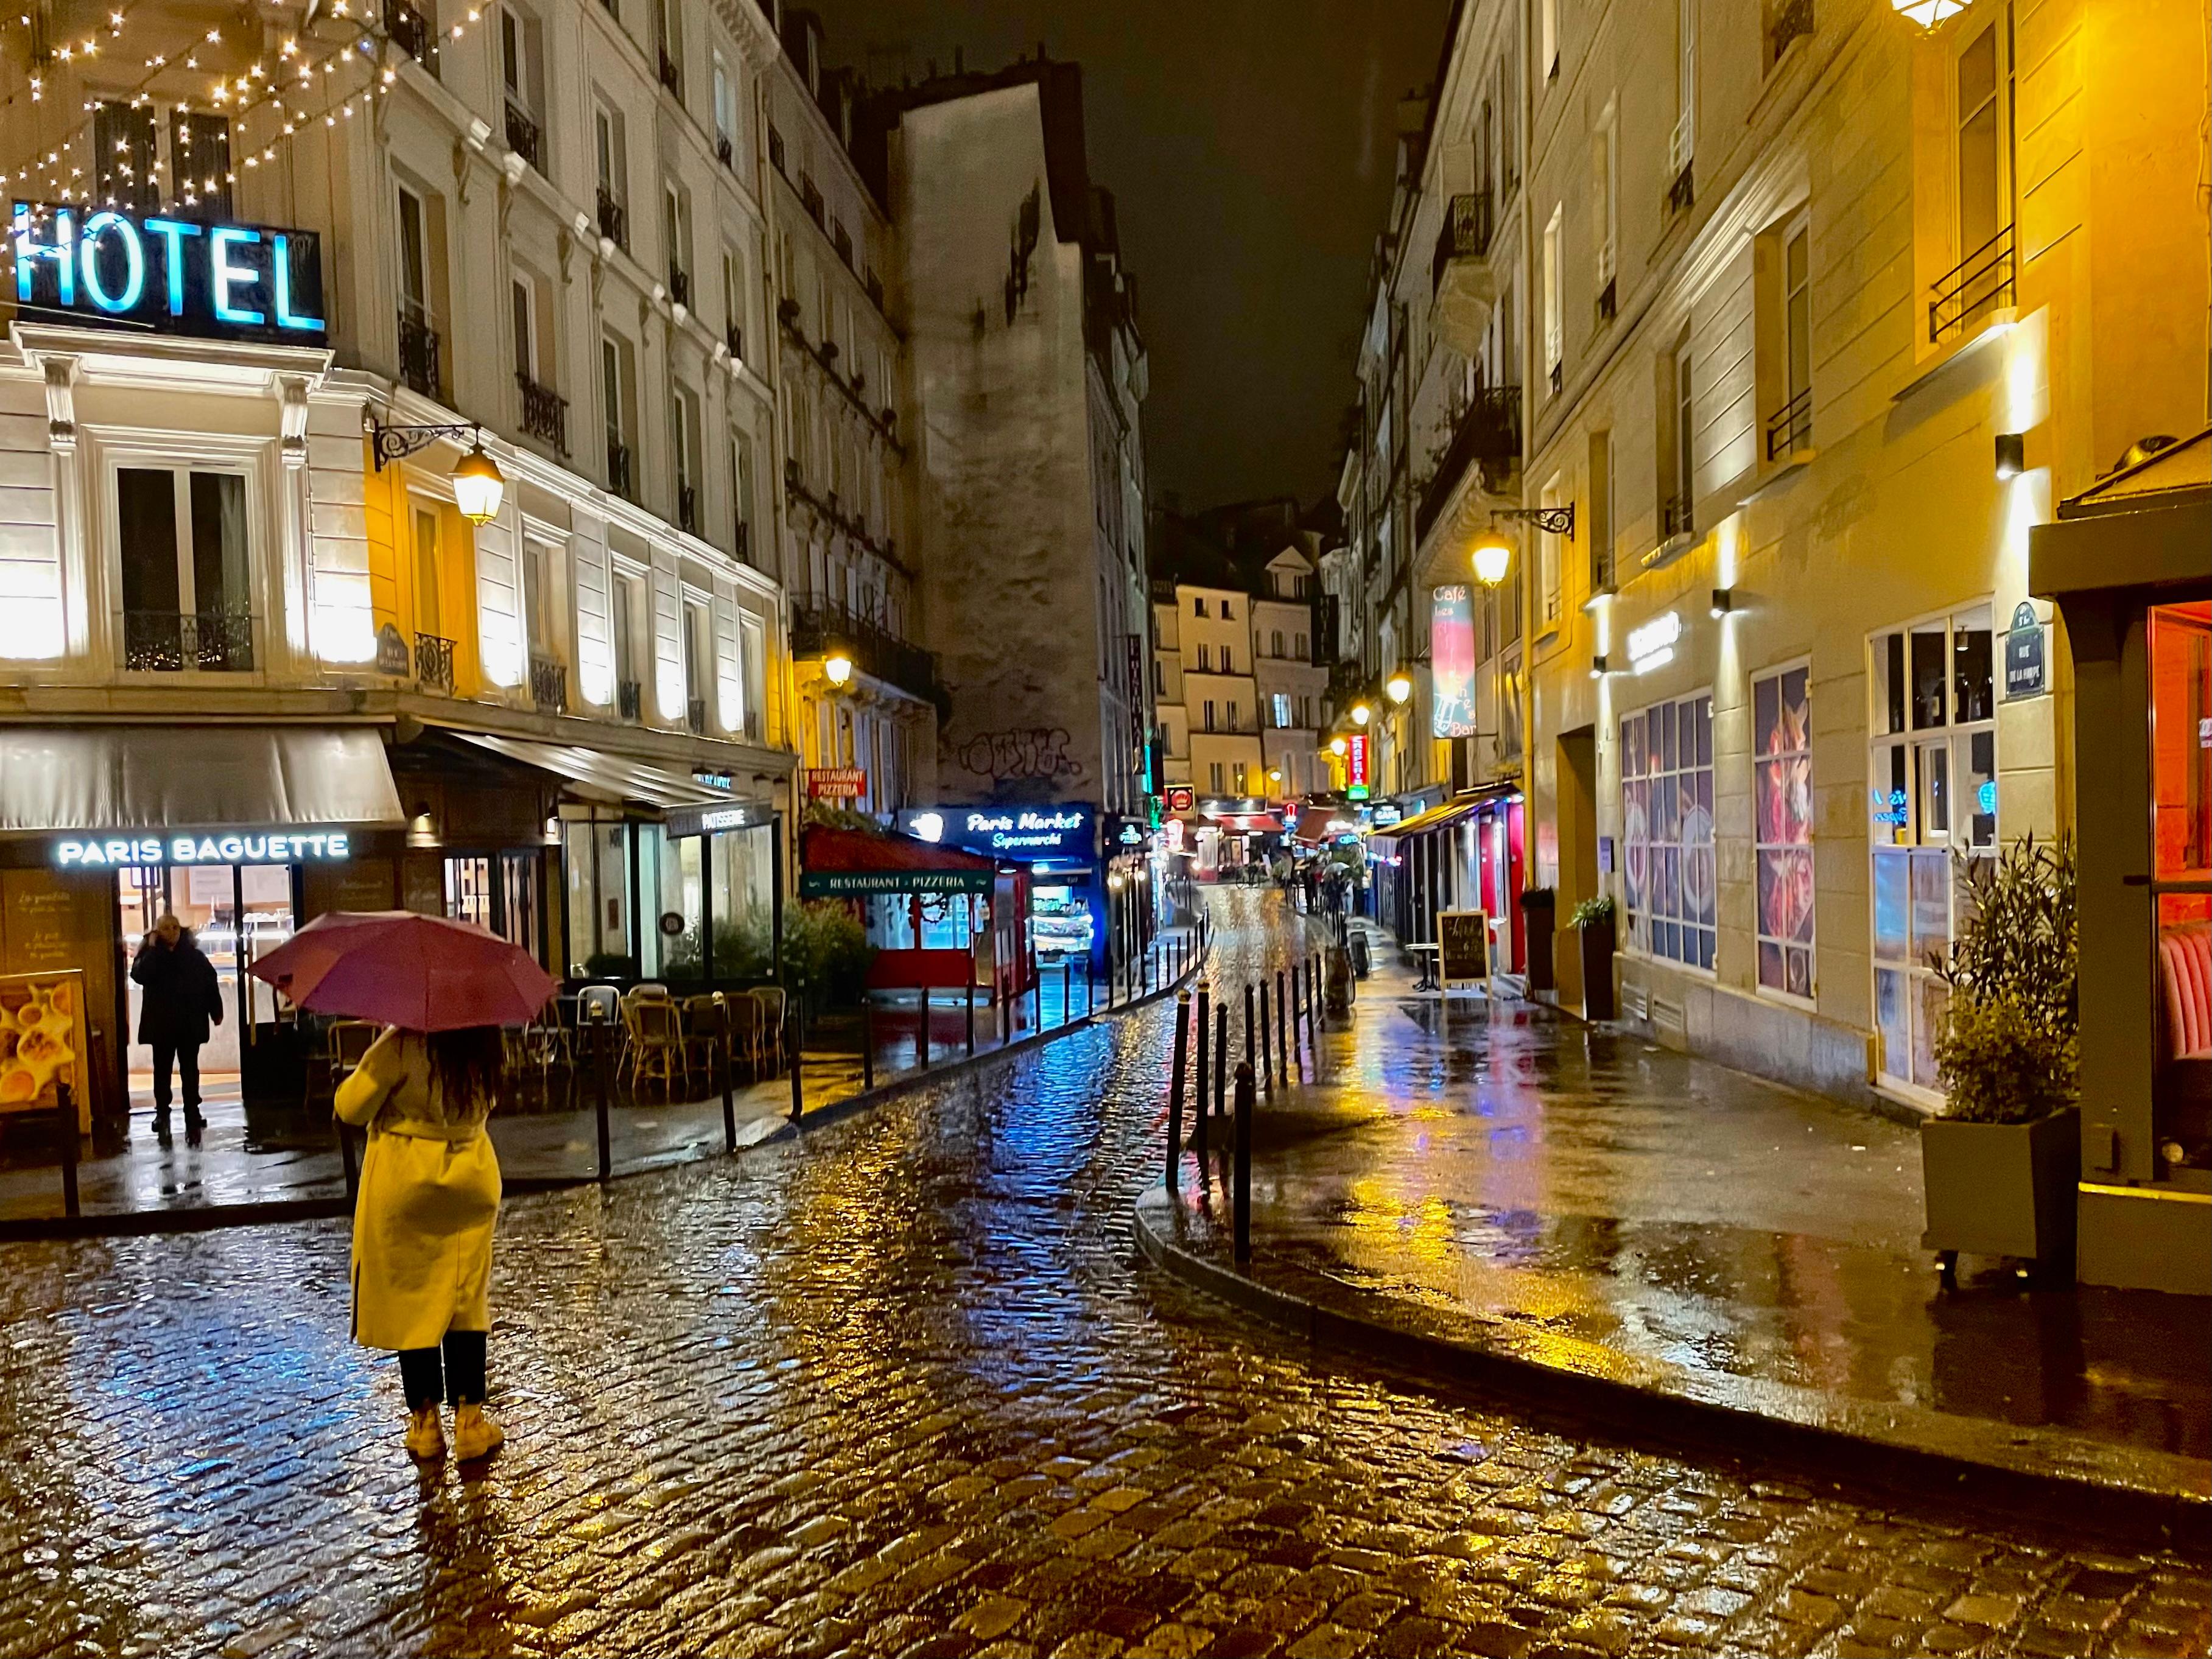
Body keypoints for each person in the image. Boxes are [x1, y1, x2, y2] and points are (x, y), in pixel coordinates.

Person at [335, 1024, 507, 1462]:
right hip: (471, 1176)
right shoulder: (487, 1040)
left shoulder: (401, 1044)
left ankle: (425, 1423)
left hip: (408, 1179)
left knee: (415, 1299)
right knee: (466, 1299)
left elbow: (352, 1107)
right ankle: (471, 1423)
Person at [130, 913, 222, 1133]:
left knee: (190, 1069)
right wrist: (152, 950)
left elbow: (210, 982)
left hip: (189, 1023)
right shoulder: (150, 955)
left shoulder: (194, 956)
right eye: (166, 928)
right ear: (156, 932)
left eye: (175, 927)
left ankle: (193, 1111)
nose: (172, 932)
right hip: (162, 1025)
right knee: (162, 1070)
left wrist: (216, 1010)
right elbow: (139, 975)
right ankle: (162, 1113)